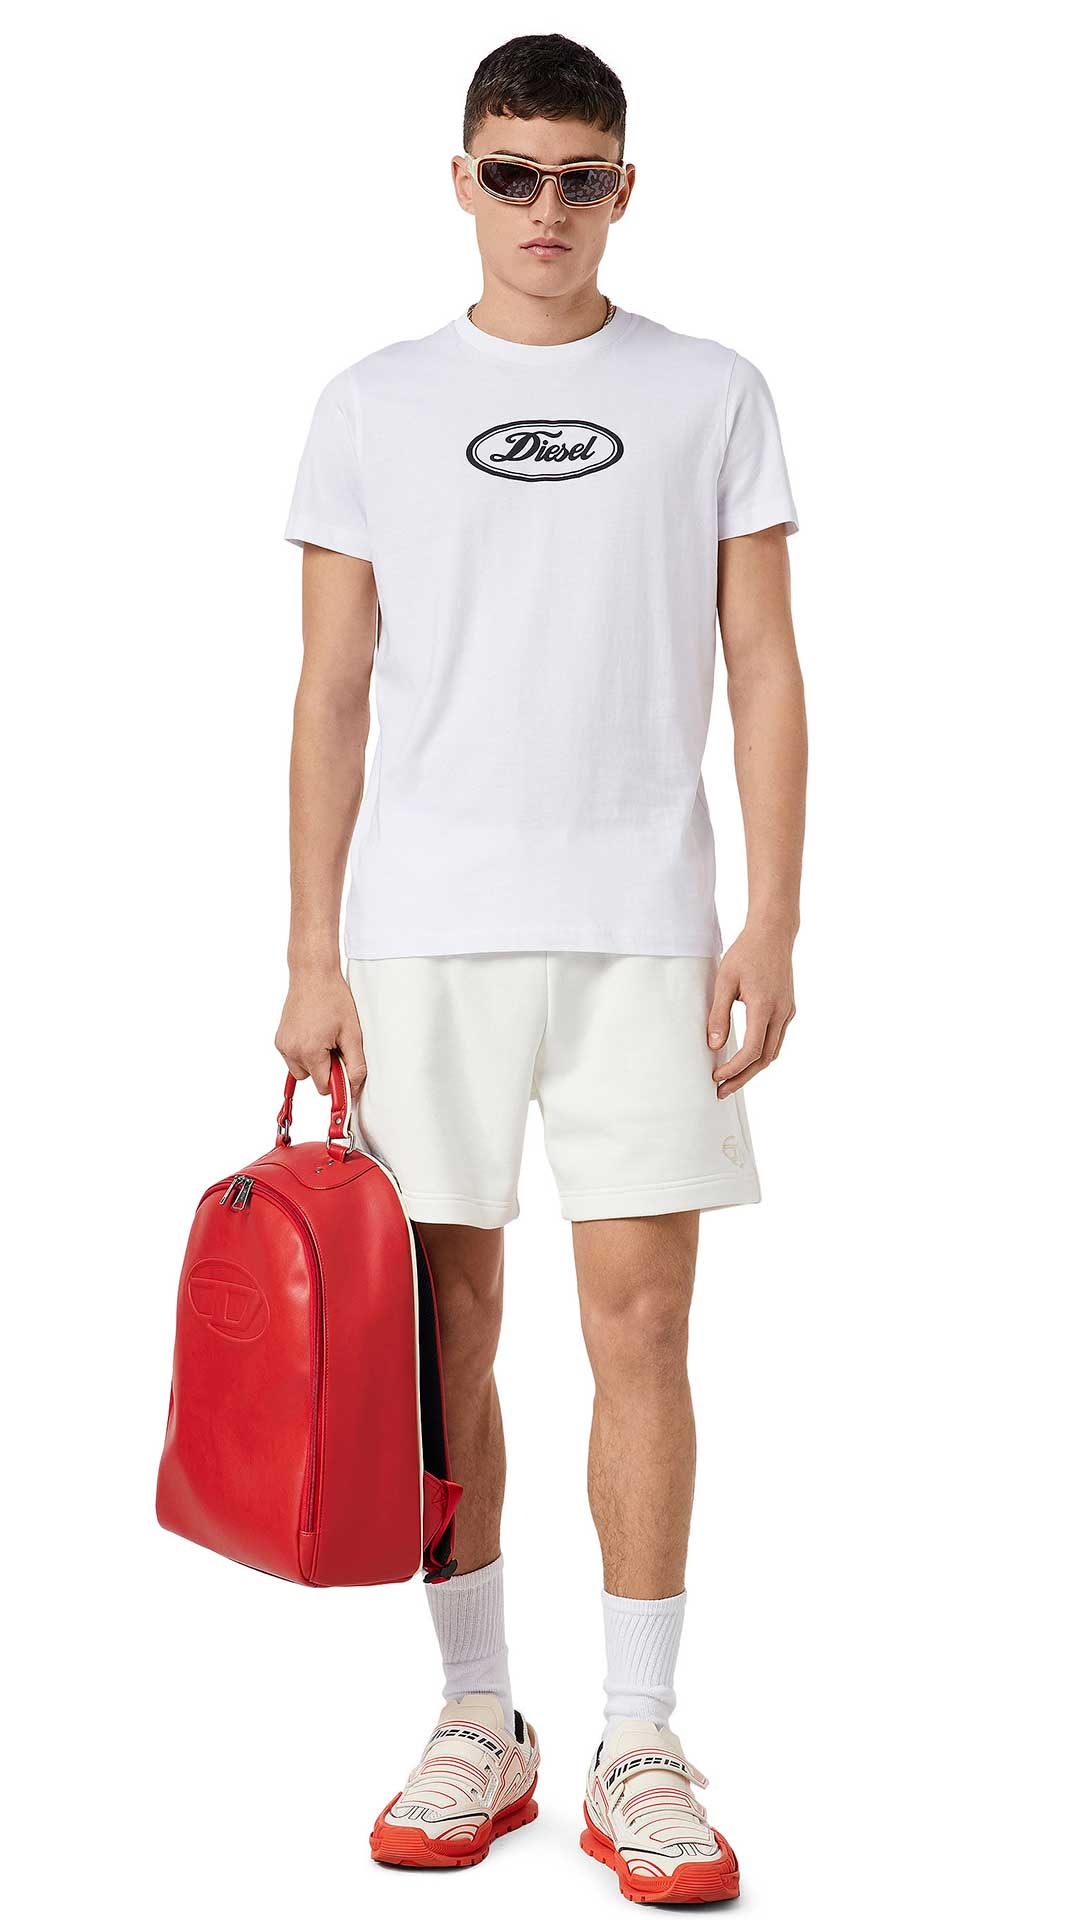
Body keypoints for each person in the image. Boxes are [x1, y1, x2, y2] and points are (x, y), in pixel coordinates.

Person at [278, 30, 805, 1904]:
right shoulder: (375, 402)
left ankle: (639, 1740)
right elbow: (331, 693)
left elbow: (764, 665)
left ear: (623, 188)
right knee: (446, 1336)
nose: (547, 209)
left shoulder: (710, 389)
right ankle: (475, 1714)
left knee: (641, 1327)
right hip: (421, 934)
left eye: (580, 177)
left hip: (644, 927)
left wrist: (771, 917)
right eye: (514, 173)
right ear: (463, 181)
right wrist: (310, 953)